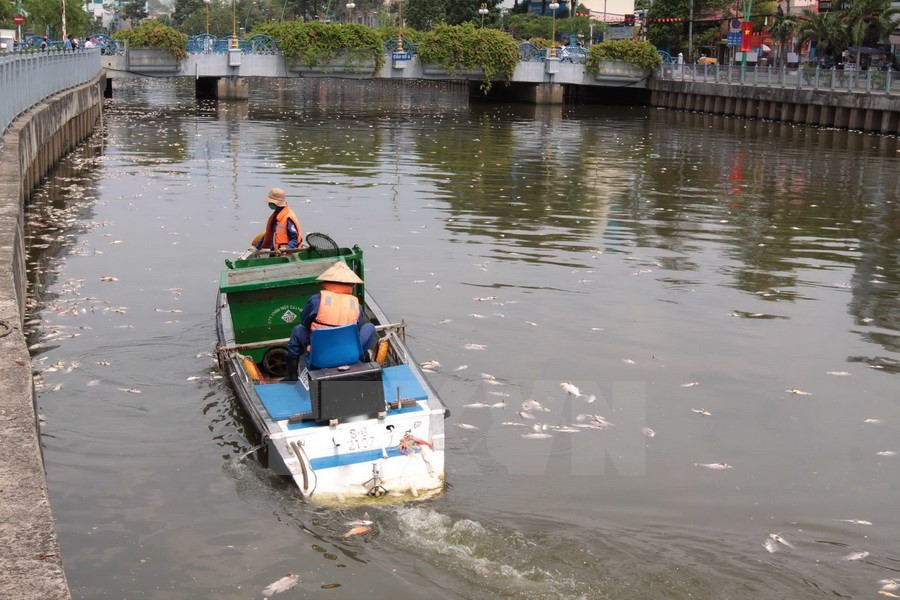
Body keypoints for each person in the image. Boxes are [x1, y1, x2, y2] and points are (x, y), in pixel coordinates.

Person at [285, 262, 376, 380]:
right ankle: (361, 360)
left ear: (327, 283)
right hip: (349, 354)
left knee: (298, 330)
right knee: (369, 327)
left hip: (320, 355)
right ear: (351, 285)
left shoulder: (316, 300)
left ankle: (291, 376)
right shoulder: (356, 305)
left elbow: (305, 321)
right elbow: (357, 328)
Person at [255, 187, 301, 253]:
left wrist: (286, 248)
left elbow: (295, 239)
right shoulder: (276, 215)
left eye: (270, 202)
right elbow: (269, 234)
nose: (269, 204)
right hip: (274, 252)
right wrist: (256, 247)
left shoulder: (288, 218)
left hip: (285, 255)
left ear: (276, 203)